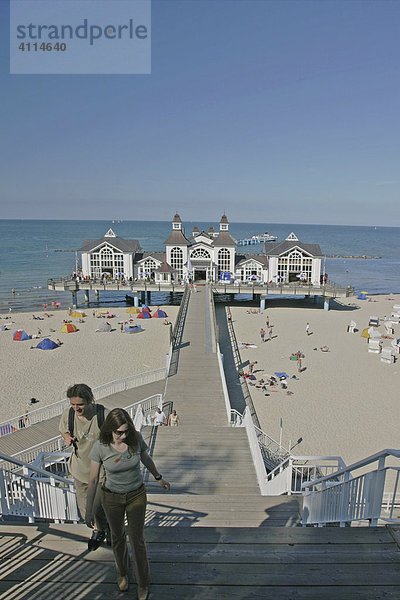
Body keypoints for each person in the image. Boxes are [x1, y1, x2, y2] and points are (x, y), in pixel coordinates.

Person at [86, 408, 170, 598]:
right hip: (111, 497)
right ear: (110, 430)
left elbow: (145, 458)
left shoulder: (135, 438)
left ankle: (142, 581)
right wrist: (89, 510)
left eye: (126, 431)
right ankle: (122, 572)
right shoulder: (100, 446)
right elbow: (92, 480)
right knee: (117, 537)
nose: (123, 436)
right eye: (119, 432)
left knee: (137, 539)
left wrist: (159, 478)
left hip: (136, 495)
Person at [59, 383, 109, 551]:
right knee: (85, 510)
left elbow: (119, 438)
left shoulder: (103, 415)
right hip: (79, 469)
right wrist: (67, 437)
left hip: (101, 472)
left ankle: (103, 531)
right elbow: (63, 430)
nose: (76, 408)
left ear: (89, 400)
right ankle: (101, 529)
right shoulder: (69, 415)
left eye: (79, 404)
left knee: (98, 506)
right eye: (72, 404)